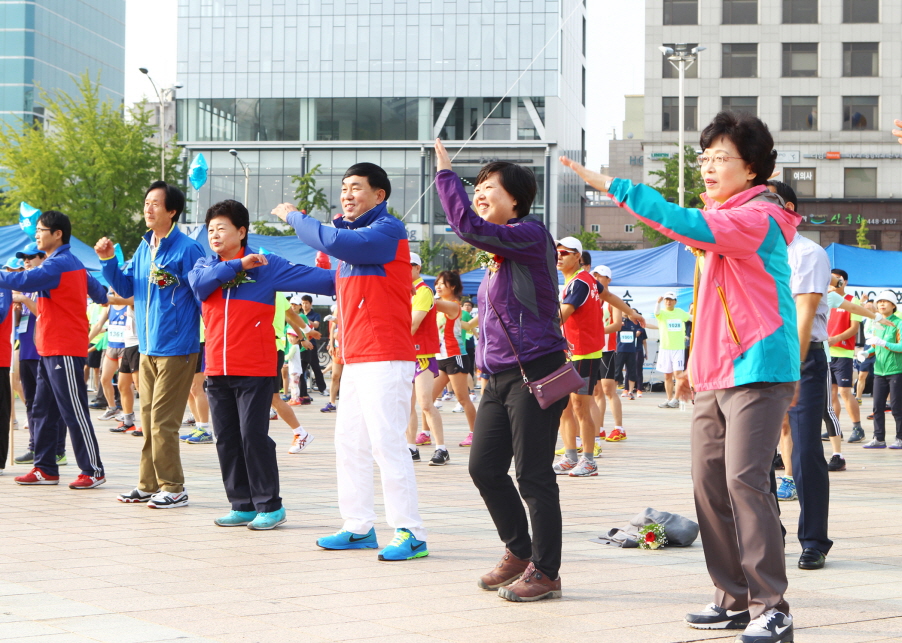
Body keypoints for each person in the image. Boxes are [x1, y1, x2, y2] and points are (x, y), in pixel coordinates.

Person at [562, 111, 800, 642]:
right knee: (708, 483)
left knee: (744, 481)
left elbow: (685, 223)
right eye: (705, 157)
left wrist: (614, 187)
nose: (709, 168)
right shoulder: (724, 220)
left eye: (722, 159)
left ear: (754, 169)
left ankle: (772, 604)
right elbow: (715, 303)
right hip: (717, 371)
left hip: (760, 367)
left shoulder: (757, 218)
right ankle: (732, 597)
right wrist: (695, 361)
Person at [272, 162, 428, 561]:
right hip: (357, 356)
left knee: (387, 442)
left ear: (380, 195)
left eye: (356, 187)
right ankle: (358, 526)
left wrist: (294, 216)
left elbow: (331, 240)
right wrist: (263, 269)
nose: (346, 194)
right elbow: (322, 279)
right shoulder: (349, 242)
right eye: (344, 188)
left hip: (386, 354)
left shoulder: (387, 231)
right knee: (350, 443)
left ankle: (410, 532)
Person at [436, 139, 568, 602]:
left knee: (533, 474)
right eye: (477, 187)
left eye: (490, 187)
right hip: (498, 378)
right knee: (484, 467)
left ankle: (546, 571)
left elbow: (466, 225)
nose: (481, 193)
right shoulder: (497, 260)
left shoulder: (531, 237)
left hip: (535, 371)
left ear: (516, 200)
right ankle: (519, 550)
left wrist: (446, 176)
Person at [188, 200, 335, 530]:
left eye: (221, 228)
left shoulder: (267, 265)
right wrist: (240, 264)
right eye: (210, 229)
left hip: (254, 366)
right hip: (216, 367)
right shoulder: (203, 266)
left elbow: (322, 280)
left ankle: (270, 505)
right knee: (226, 438)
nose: (213, 234)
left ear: (241, 232)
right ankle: (241, 504)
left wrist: (362, 271)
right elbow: (200, 286)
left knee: (253, 436)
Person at [97, 181, 204, 508]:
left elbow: (203, 295)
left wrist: (207, 340)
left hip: (178, 347)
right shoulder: (145, 247)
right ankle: (147, 483)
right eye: (146, 202)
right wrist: (108, 261)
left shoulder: (188, 249)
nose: (148, 208)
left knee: (163, 420)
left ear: (172, 211)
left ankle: (174, 486)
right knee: (147, 419)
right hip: (148, 347)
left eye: (156, 203)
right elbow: (126, 285)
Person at [6, 211, 108, 489]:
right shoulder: (71, 264)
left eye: (41, 230)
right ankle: (45, 468)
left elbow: (23, 282)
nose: (36, 235)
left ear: (57, 233)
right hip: (50, 347)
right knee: (42, 409)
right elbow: (100, 294)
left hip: (63, 347)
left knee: (73, 410)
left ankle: (93, 469)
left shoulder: (58, 264)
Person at [553, 237, 641, 476]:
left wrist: (533, 328)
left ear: (578, 257)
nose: (559, 256)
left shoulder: (579, 283)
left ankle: (589, 460)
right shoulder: (585, 281)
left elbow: (562, 315)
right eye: (557, 252)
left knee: (581, 406)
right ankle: (571, 456)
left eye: (565, 252)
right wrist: (631, 312)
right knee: (565, 406)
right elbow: (609, 296)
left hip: (583, 352)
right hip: (570, 351)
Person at [13, 243, 67, 466]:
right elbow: (20, 323)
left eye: (32, 256)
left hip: (44, 350)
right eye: (24, 258)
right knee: (31, 404)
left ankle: (57, 450)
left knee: (51, 403)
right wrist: (17, 309)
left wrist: (25, 301)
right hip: (25, 349)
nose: (27, 260)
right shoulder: (25, 286)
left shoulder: (46, 283)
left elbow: (45, 313)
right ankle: (34, 446)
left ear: (43, 258)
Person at [407, 253, 450, 464]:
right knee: (407, 404)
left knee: (425, 403)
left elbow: (413, 325)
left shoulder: (423, 291)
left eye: (408, 266)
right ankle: (410, 447)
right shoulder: (404, 291)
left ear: (417, 267)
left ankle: (441, 448)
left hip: (422, 354)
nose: (404, 270)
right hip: (405, 354)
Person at [432, 270, 478, 451]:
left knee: (462, 398)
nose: (438, 286)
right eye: (437, 283)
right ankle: (426, 433)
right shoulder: (443, 305)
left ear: (452, 286)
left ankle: (475, 434)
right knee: (428, 399)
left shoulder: (453, 306)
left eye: (442, 284)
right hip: (441, 356)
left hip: (455, 355)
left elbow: (431, 303)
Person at [826, 269, 865, 445]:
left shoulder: (851, 301)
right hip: (826, 353)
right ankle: (835, 429)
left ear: (845, 282)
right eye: (831, 279)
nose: (834, 282)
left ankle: (858, 427)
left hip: (843, 353)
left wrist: (837, 338)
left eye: (838, 279)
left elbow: (854, 328)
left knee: (844, 391)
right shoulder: (824, 299)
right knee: (831, 393)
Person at [861, 291, 902, 449]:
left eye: (886, 302)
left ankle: (900, 438)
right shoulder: (876, 323)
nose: (882, 304)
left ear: (893, 305)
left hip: (896, 370)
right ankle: (879, 439)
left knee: (897, 407)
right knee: (877, 406)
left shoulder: (899, 323)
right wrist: (866, 352)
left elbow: (900, 346)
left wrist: (883, 343)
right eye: (880, 302)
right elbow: (874, 346)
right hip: (879, 371)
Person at [591, 266, 626, 442]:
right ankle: (600, 427)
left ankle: (619, 428)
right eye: (595, 275)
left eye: (601, 276)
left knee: (609, 389)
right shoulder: (591, 298)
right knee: (596, 391)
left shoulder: (612, 301)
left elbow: (618, 324)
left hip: (607, 349)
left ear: (608, 280)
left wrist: (598, 332)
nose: (597, 278)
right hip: (593, 349)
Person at [654, 292, 692, 409]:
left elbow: (692, 318)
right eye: (666, 300)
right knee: (667, 375)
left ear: (675, 301)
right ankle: (669, 398)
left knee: (678, 375)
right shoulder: (662, 313)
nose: (668, 302)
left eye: (671, 300)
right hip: (665, 348)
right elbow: (656, 312)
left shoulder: (680, 312)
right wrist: (658, 302)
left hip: (678, 348)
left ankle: (676, 399)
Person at [299, 295, 328, 396]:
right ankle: (301, 392)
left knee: (315, 367)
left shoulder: (315, 315)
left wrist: (304, 320)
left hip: (312, 345)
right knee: (300, 370)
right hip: (301, 345)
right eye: (303, 303)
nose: (304, 305)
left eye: (306, 303)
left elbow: (316, 325)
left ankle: (322, 388)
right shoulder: (299, 315)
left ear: (311, 304)